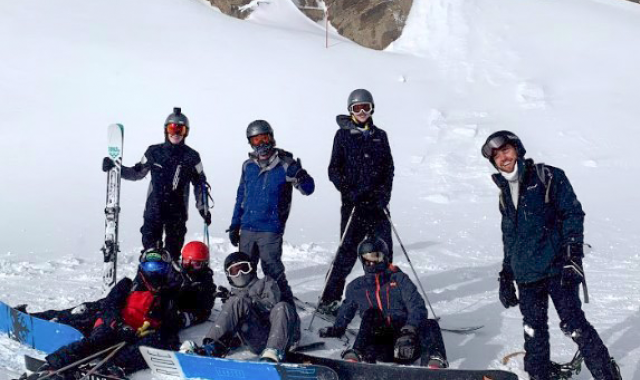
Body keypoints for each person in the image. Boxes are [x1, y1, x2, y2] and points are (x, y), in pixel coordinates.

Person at [481, 130, 621, 380]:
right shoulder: (504, 193)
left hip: (558, 269)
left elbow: (572, 214)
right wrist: (506, 274)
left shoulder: (548, 177)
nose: (503, 158)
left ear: (517, 149)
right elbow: (510, 238)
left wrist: (573, 257)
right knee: (533, 334)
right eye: (496, 156)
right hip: (527, 276)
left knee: (575, 326)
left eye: (506, 150)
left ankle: (608, 376)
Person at [30, 249, 183, 378]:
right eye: (150, 268)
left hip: (136, 336)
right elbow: (110, 305)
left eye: (159, 269)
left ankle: (114, 369)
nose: (154, 273)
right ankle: (53, 365)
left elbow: (170, 324)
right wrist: (117, 323)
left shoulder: (168, 296)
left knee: (151, 345)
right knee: (97, 340)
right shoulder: (127, 286)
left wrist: (152, 331)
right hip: (113, 325)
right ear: (143, 268)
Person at [19, 241, 217, 335]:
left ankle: (62, 326)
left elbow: (201, 311)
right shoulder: (177, 271)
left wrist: (180, 318)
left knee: (99, 318)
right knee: (92, 306)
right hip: (140, 300)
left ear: (205, 263)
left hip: (152, 313)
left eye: (196, 264)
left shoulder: (205, 286)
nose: (190, 267)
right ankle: (38, 317)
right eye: (187, 261)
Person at [318, 235, 448, 369]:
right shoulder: (356, 287)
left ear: (384, 257)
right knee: (371, 313)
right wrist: (336, 329)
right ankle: (356, 356)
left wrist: (409, 330)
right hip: (379, 347)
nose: (371, 262)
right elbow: (346, 312)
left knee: (430, 324)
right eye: (367, 258)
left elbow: (418, 307)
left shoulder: (399, 280)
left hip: (406, 346)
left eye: (376, 257)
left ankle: (433, 364)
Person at [318, 89, 395, 314]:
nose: (362, 112)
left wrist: (384, 195)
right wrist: (349, 192)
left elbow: (388, 169)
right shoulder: (342, 136)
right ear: (350, 111)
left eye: (366, 107)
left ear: (372, 109)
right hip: (353, 206)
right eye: (356, 108)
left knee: (384, 251)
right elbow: (334, 170)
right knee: (347, 252)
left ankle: (386, 298)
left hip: (377, 206)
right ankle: (329, 298)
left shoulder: (380, 135)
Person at [103, 107, 212, 260]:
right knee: (151, 253)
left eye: (180, 130)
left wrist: (204, 208)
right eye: (171, 128)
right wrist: (116, 168)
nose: (175, 133)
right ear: (166, 130)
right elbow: (137, 173)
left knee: (172, 255)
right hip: (154, 209)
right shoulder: (154, 152)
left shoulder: (192, 156)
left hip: (177, 213)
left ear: (186, 132)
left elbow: (200, 184)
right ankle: (148, 279)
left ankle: (171, 280)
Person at [227, 120, 315, 304]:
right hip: (247, 228)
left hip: (270, 229)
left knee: (272, 271)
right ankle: (242, 307)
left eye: (264, 137)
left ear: (272, 137)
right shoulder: (247, 166)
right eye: (255, 140)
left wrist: (301, 174)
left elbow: (308, 189)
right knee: (243, 272)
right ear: (250, 142)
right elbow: (241, 197)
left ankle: (285, 306)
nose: (261, 143)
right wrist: (235, 224)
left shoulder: (285, 164)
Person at [181, 251, 300, 363]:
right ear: (228, 276)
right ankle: (211, 347)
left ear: (251, 268)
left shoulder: (267, 283)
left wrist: (245, 299)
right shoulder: (237, 299)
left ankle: (273, 353)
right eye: (234, 271)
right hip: (258, 339)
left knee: (283, 306)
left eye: (244, 268)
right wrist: (232, 303)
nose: (240, 274)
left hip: (282, 337)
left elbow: (271, 304)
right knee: (236, 302)